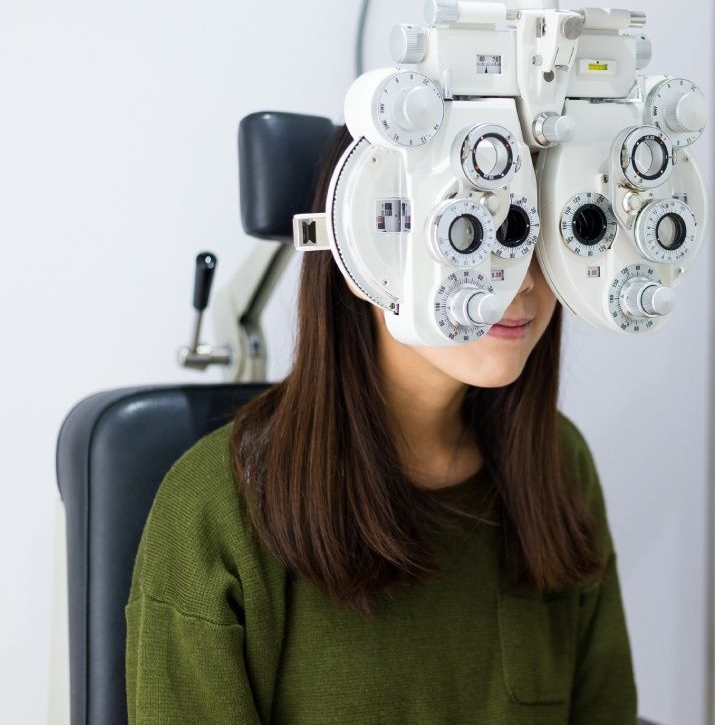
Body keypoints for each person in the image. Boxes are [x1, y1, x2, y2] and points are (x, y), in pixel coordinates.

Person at [124, 127, 637, 724]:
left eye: (535, 235)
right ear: (365, 248)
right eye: (469, 235)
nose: (521, 281)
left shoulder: (555, 464)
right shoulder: (215, 509)